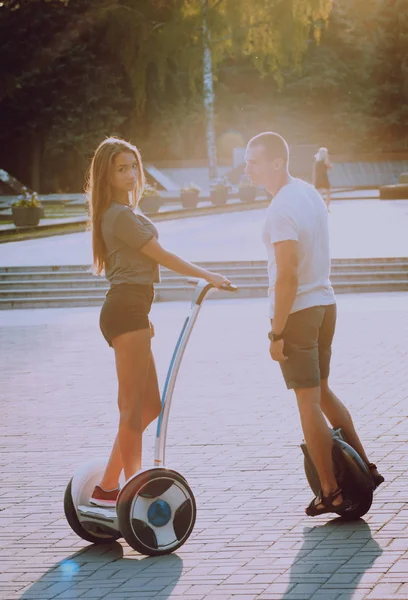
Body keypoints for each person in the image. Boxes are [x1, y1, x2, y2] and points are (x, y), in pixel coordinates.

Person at [244, 132, 384, 517]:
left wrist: (276, 331)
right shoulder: (307, 192)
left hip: (300, 313)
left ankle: (330, 491)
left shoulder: (280, 210)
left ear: (276, 162)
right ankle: (366, 470)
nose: (246, 168)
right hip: (325, 304)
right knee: (322, 391)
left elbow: (287, 275)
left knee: (307, 402)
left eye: (253, 161)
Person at [86, 137, 231, 507]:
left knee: (149, 406)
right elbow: (160, 254)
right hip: (126, 309)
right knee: (132, 408)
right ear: (107, 175)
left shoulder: (121, 212)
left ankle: (107, 486)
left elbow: (147, 262)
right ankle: (130, 488)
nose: (132, 175)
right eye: (122, 169)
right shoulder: (118, 214)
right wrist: (207, 275)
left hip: (135, 310)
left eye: (134, 166)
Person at [313, 146, 332, 211]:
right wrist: (327, 158)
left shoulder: (317, 162)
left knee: (319, 195)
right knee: (328, 193)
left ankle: (319, 208)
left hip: (318, 179)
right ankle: (326, 208)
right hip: (324, 178)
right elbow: (330, 167)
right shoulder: (325, 160)